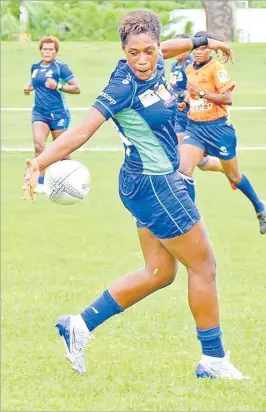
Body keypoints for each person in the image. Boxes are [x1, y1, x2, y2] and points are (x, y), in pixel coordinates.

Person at [22, 10, 246, 380]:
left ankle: (79, 325)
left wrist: (206, 40)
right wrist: (39, 163)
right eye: (133, 53)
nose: (141, 60)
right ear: (123, 51)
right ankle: (214, 361)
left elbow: (175, 45)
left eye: (149, 51)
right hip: (155, 184)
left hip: (142, 183)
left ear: (157, 47)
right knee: (204, 266)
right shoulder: (123, 85)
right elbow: (83, 130)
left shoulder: (156, 61)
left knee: (159, 272)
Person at [179, 31, 266, 235]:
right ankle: (190, 223)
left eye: (203, 49)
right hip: (195, 127)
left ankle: (259, 206)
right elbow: (191, 90)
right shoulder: (189, 69)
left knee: (233, 176)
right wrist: (185, 101)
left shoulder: (217, 68)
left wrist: (201, 93)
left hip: (219, 129)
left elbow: (227, 98)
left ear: (211, 49)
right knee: (183, 171)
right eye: (196, 49)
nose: (199, 53)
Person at [24, 36, 81, 194]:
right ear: (41, 50)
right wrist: (28, 87)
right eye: (45, 49)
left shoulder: (60, 67)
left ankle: (73, 180)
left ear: (56, 52)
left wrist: (58, 86)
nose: (47, 52)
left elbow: (76, 88)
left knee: (62, 150)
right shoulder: (35, 66)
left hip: (58, 113)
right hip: (39, 112)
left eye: (51, 49)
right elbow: (36, 80)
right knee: (39, 146)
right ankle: (40, 182)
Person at [169, 33, 195, 143]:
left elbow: (193, 88)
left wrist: (183, 100)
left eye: (181, 48)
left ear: (188, 49)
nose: (177, 51)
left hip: (188, 109)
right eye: (175, 48)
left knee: (183, 140)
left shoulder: (190, 65)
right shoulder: (174, 65)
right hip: (176, 109)